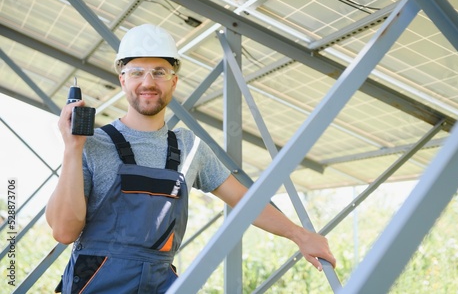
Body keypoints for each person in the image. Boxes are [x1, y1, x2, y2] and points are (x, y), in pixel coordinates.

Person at [46, 23, 336, 293]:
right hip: (96, 283)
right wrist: (72, 149)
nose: (148, 82)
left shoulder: (189, 147)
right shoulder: (91, 144)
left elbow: (247, 202)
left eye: (159, 72)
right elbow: (64, 231)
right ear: (122, 80)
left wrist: (299, 235)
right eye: (137, 72)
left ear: (174, 81)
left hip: (159, 284)